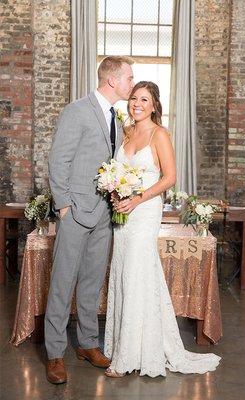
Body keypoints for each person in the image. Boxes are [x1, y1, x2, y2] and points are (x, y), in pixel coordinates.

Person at [104, 81, 221, 378]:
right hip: (123, 214)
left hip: (144, 213)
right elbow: (117, 173)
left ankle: (128, 356)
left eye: (144, 99)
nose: (137, 104)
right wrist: (116, 193)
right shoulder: (127, 132)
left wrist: (137, 199)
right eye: (133, 98)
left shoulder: (160, 134)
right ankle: (124, 346)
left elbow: (170, 178)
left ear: (154, 105)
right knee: (123, 272)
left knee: (135, 271)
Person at [45, 56, 134, 384]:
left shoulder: (115, 116)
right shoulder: (77, 110)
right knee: (62, 283)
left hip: (103, 216)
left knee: (92, 282)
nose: (131, 82)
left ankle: (87, 344)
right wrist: (64, 207)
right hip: (76, 214)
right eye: (128, 77)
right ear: (112, 80)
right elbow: (58, 160)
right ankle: (55, 353)